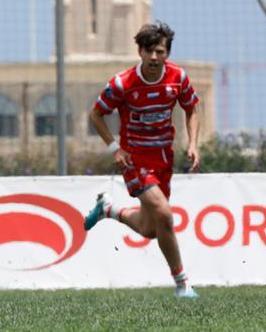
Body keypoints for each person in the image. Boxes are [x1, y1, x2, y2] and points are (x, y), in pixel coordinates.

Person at [84, 21, 201, 298]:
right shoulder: (123, 83)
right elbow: (96, 115)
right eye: (148, 51)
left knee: (151, 228)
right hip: (134, 159)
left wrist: (194, 144)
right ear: (139, 52)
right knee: (165, 214)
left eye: (159, 51)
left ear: (167, 54)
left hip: (163, 157)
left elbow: (192, 107)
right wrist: (115, 148)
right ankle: (183, 284)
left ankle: (108, 210)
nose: (153, 57)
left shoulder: (178, 78)